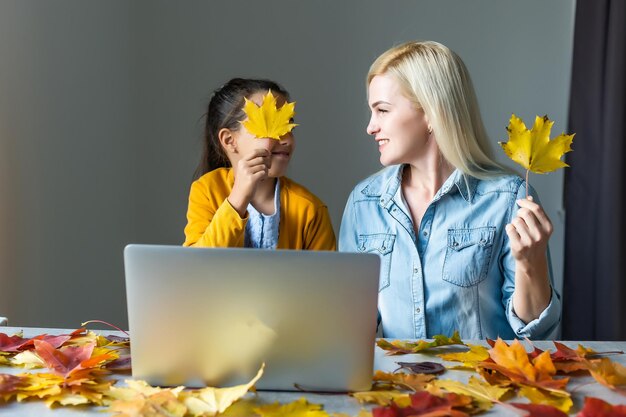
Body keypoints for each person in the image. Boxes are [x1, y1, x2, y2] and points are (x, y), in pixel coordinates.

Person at [338, 41, 561, 340]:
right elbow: (349, 327)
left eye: (382, 110)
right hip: (399, 384)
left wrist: (530, 264)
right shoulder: (363, 203)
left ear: (431, 112)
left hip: (481, 384)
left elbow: (535, 333)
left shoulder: (508, 199)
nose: (370, 127)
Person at [184, 78, 336, 250]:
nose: (285, 139)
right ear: (229, 140)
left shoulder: (310, 209)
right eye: (268, 123)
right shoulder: (206, 191)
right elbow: (197, 264)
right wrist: (238, 199)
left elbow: (326, 275)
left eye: (289, 127)